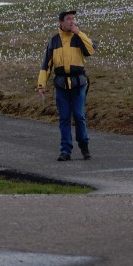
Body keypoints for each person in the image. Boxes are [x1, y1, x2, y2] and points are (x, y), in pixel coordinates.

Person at [36, 9, 96, 161]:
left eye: (73, 18)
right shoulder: (54, 41)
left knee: (78, 115)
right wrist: (41, 84)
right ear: (61, 22)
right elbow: (46, 65)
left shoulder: (79, 38)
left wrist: (79, 33)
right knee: (63, 118)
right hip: (61, 84)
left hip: (78, 83)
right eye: (68, 19)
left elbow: (91, 50)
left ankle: (84, 146)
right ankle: (65, 150)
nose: (72, 21)